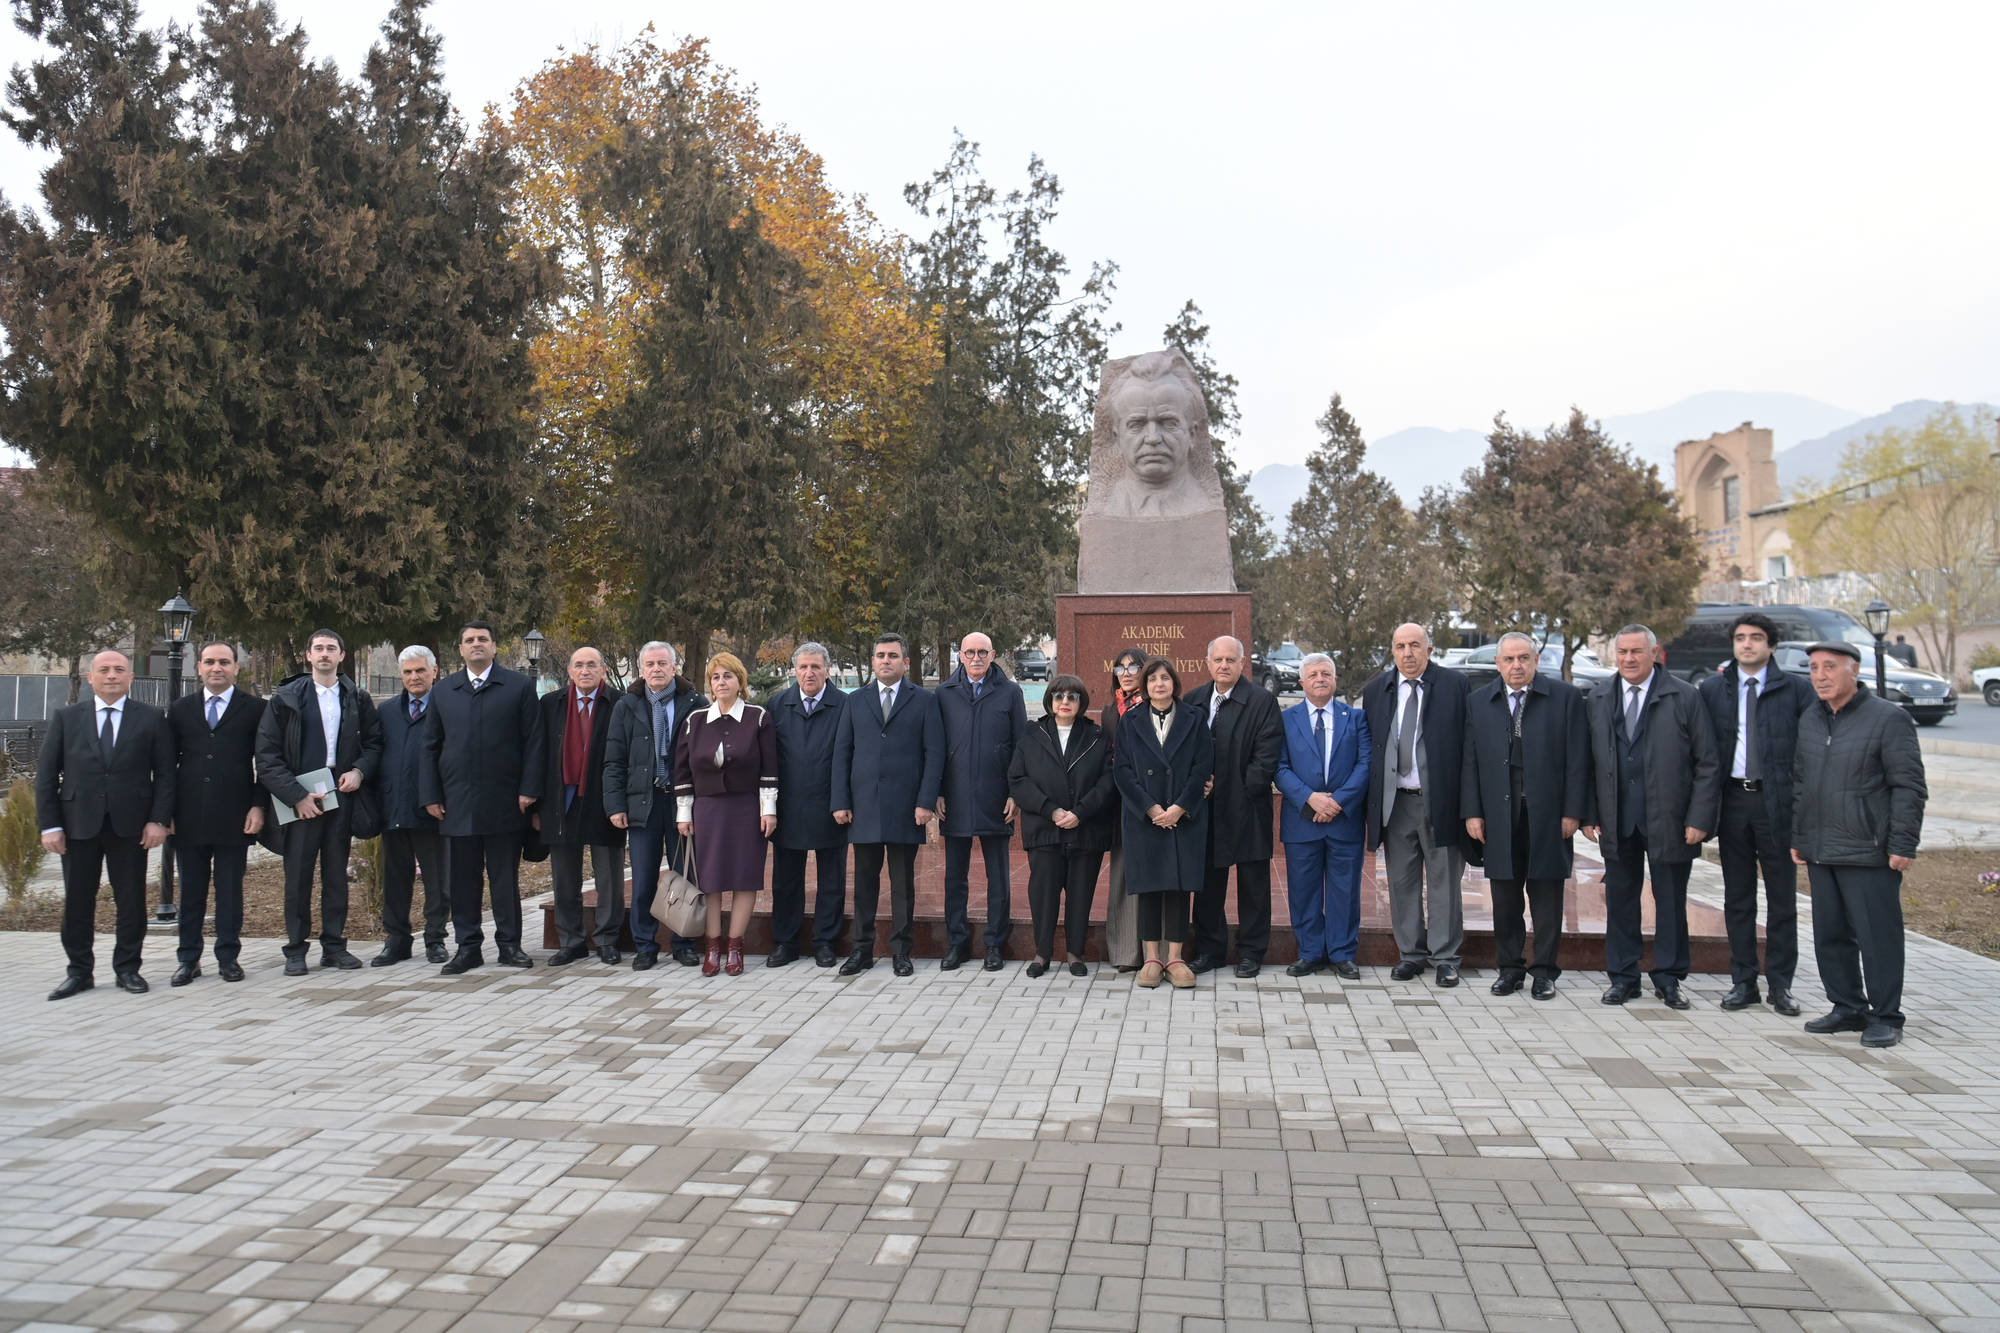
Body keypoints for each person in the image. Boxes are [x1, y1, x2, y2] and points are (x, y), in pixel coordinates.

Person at [1792, 641, 1928, 1048]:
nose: (1820, 676)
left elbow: (1909, 786)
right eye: (1814, 668)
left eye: (1830, 667)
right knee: (1830, 934)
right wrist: (1799, 835)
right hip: (1820, 848)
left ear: (1854, 670)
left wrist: (1903, 843)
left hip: (1869, 850)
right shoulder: (1811, 718)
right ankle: (1848, 1006)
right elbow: (1801, 782)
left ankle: (1886, 1016)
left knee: (1877, 937)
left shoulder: (1889, 718)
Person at [1584, 624, 1719, 1009]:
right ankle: (1623, 977)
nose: (1628, 659)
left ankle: (1669, 978)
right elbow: (1585, 763)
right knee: (1620, 901)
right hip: (1616, 819)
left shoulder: (1685, 696)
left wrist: (1699, 818)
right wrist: (1589, 814)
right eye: (1622, 652)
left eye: (1636, 652)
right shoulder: (1598, 697)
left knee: (1671, 902)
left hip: (1671, 819)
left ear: (1654, 653)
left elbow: (1707, 763)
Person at [36, 650, 174, 1000]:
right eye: (104, 670)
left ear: (130, 677)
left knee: (131, 901)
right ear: (90, 677)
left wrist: (158, 820)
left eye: (119, 669)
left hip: (131, 826)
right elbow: (46, 775)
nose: (112, 675)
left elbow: (165, 775)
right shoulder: (67, 718)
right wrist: (50, 825)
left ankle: (128, 969)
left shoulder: (151, 718)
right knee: (78, 901)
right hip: (78, 825)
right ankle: (79, 972)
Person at [1463, 633, 1591, 999]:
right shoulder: (1479, 701)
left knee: (1547, 897)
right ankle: (1510, 969)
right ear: (1498, 663)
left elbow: (1578, 759)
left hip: (1548, 815)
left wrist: (1573, 812)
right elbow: (1470, 761)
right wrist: (1473, 812)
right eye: (1509, 659)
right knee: (1505, 899)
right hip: (1499, 815)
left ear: (1535, 660)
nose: (1516, 665)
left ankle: (1545, 972)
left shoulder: (1564, 698)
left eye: (1523, 658)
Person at [1697, 611, 1809, 1016]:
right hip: (1733, 803)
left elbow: (1807, 754)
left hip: (1776, 804)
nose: (1747, 644)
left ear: (1772, 646)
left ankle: (1780, 985)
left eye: (1756, 637)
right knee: (1738, 898)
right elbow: (1702, 752)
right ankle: (1743, 982)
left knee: (1782, 900)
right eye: (1741, 637)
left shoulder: (1796, 690)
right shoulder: (1713, 689)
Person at [420, 621, 544, 975]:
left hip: (505, 801)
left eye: (483, 639)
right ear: (460, 649)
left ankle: (510, 945)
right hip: (456, 803)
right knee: (463, 881)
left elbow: (534, 742)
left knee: (504, 879)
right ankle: (468, 947)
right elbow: (429, 746)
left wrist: (530, 789)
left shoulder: (519, 687)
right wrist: (430, 795)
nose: (476, 644)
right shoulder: (443, 691)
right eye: (469, 640)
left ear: (494, 646)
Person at [256, 629, 383, 977]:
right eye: (318, 648)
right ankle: (296, 950)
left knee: (336, 877)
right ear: (308, 655)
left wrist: (359, 771)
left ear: (341, 656)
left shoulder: (356, 697)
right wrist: (296, 796)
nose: (325, 654)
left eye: (331, 648)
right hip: (301, 800)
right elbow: (267, 756)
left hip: (340, 795)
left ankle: (334, 946)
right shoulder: (285, 699)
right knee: (297, 878)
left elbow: (375, 744)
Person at [1361, 623, 1472, 988]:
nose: (1407, 653)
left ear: (1429, 650)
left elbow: (1469, 748)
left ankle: (1445, 958)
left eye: (1414, 645)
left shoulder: (1455, 686)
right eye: (1400, 646)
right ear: (1392, 651)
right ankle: (1410, 954)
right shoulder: (1377, 690)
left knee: (1444, 883)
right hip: (1396, 805)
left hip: (1441, 802)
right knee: (1402, 882)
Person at [831, 633, 944, 977]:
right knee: (864, 884)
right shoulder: (855, 701)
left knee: (902, 885)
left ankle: (901, 952)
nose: (885, 660)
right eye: (880, 655)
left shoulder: (924, 700)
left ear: (905, 662)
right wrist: (840, 801)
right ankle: (861, 950)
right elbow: (842, 753)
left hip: (906, 808)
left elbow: (934, 753)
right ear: (873, 661)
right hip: (863, 806)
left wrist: (926, 801)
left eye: (893, 655)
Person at [673, 653, 779, 977]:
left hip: (747, 807)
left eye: (728, 676)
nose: (722, 682)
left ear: (740, 681)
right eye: (716, 677)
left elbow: (769, 768)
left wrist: (769, 810)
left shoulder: (758, 717)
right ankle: (712, 948)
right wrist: (684, 813)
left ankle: (735, 948)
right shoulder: (695, 721)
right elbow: (681, 771)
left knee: (745, 877)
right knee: (712, 880)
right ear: (710, 683)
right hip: (707, 809)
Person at [166, 640, 265, 986]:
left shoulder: (255, 709)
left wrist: (258, 804)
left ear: (236, 667)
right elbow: (166, 765)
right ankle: (188, 959)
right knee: (190, 892)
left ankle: (228, 957)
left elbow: (266, 762)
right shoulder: (180, 709)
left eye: (224, 662)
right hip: (188, 816)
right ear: (199, 668)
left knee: (229, 892)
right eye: (209, 662)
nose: (216, 668)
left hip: (235, 816)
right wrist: (166, 813)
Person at [603, 641, 707, 971]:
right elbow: (614, 760)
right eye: (650, 664)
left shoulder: (695, 703)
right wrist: (615, 805)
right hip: (642, 803)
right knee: (644, 878)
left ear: (675, 668)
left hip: (682, 802)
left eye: (663, 663)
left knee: (685, 875)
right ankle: (645, 946)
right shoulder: (627, 705)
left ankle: (683, 943)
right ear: (641, 669)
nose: (656, 669)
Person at [1183, 635, 1282, 977]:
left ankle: (1251, 952)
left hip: (1247, 807)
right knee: (1208, 886)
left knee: (1253, 885)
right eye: (1218, 660)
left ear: (1243, 663)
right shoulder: (1194, 700)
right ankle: (1210, 950)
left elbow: (1265, 759)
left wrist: (1224, 788)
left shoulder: (1262, 701)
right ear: (1207, 663)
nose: (1224, 665)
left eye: (1230, 660)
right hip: (1205, 810)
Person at [1114, 657, 1213, 988]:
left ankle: (1175, 958)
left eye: (1165, 678)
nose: (1159, 684)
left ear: (1174, 683)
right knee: (1149, 887)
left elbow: (1202, 766)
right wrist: (1152, 808)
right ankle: (1152, 959)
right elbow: (1122, 770)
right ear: (1145, 685)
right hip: (1145, 819)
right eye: (1153, 679)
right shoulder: (1130, 720)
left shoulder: (1194, 718)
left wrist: (1180, 807)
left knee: (1178, 888)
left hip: (1183, 818)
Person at [1008, 674, 1116, 977]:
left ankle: (1074, 953)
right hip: (1045, 829)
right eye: (1059, 696)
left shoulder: (1096, 736)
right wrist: (1051, 811)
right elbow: (1018, 779)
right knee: (1043, 894)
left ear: (1081, 702)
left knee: (1080, 894)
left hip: (1085, 830)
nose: (1065, 701)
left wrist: (1080, 812)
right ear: (1050, 701)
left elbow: (1108, 780)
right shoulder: (1032, 735)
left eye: (1072, 697)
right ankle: (1042, 953)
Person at [1275, 654, 1373, 978]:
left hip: (1344, 820)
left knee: (1345, 890)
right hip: (1302, 820)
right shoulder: (1286, 719)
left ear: (1335, 680)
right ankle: (1310, 952)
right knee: (1303, 890)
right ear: (1301, 682)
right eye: (1313, 674)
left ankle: (1343, 953)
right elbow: (1279, 767)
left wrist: (1337, 802)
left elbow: (1365, 764)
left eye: (1326, 674)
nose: (1320, 678)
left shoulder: (1355, 718)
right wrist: (1311, 798)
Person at [936, 631, 1028, 971]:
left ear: (993, 655)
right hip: (955, 797)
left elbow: (1021, 746)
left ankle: (994, 945)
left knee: (998, 878)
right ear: (960, 655)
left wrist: (1015, 793)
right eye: (970, 652)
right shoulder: (943, 693)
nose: (976, 658)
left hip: (996, 797)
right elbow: (934, 746)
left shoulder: (1010, 693)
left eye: (982, 652)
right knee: (954, 878)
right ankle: (957, 943)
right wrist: (937, 791)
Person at [536, 646, 625, 966]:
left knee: (609, 877)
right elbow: (538, 753)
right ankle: (571, 941)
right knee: (564, 877)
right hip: (561, 800)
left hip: (604, 800)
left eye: (591, 665)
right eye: (579, 665)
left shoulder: (619, 703)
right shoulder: (550, 704)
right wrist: (536, 806)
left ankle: (607, 940)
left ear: (603, 670)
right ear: (570, 671)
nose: (585, 670)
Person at [770, 642, 849, 967]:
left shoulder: (844, 705)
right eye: (803, 667)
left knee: (832, 880)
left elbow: (849, 756)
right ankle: (786, 943)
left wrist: (843, 801)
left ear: (827, 670)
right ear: (794, 671)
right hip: (789, 807)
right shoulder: (778, 705)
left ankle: (825, 942)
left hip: (831, 805)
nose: (809, 673)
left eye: (816, 667)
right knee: (785, 881)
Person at [373, 646, 450, 966]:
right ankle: (397, 941)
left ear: (434, 672)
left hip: (432, 809)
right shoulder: (387, 711)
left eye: (420, 670)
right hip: (393, 808)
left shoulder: (446, 708)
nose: (414, 677)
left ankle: (435, 939)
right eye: (407, 672)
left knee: (437, 880)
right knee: (394, 879)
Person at [1098, 648, 1148, 971]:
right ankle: (1126, 952)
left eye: (1133, 667)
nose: (1126, 673)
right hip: (1120, 802)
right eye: (1120, 668)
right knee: (1122, 875)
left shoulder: (1155, 705)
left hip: (1151, 800)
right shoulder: (1109, 711)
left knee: (1152, 875)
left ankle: (1153, 952)